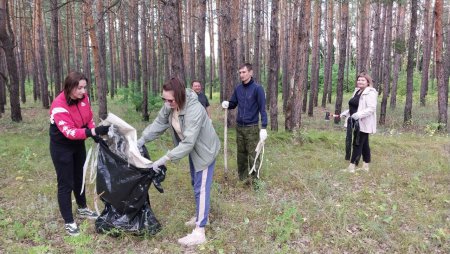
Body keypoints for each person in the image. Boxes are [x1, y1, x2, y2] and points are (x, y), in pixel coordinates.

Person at [137, 77, 220, 246]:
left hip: (205, 150)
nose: (167, 103)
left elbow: (189, 142)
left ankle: (200, 231)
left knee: (201, 188)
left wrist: (165, 158)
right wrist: (141, 140)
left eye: (170, 100)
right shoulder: (170, 105)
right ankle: (201, 215)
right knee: (195, 183)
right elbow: (159, 123)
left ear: (180, 96)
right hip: (193, 150)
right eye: (164, 99)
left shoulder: (194, 109)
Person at [49, 71, 110, 236]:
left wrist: (95, 134)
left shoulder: (84, 98)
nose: (84, 91)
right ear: (69, 88)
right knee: (66, 183)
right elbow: (69, 132)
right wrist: (92, 132)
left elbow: (89, 118)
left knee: (79, 178)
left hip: (78, 144)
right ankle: (69, 221)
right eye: (80, 88)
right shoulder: (58, 105)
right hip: (62, 147)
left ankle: (82, 208)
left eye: (85, 87)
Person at [221, 63, 268, 184]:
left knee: (254, 154)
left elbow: (263, 109)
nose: (241, 75)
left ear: (251, 73)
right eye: (240, 72)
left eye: (244, 72)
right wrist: (227, 104)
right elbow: (233, 103)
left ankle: (255, 181)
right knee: (241, 154)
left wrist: (264, 127)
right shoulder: (238, 89)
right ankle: (242, 179)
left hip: (252, 127)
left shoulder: (258, 89)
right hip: (239, 127)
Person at [333, 72, 378, 173]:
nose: (360, 82)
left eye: (362, 80)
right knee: (364, 144)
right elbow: (353, 107)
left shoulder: (370, 93)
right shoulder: (357, 91)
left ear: (368, 82)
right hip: (355, 121)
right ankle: (366, 166)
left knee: (357, 143)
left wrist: (358, 115)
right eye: (358, 80)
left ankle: (351, 167)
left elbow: (371, 108)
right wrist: (343, 114)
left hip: (364, 122)